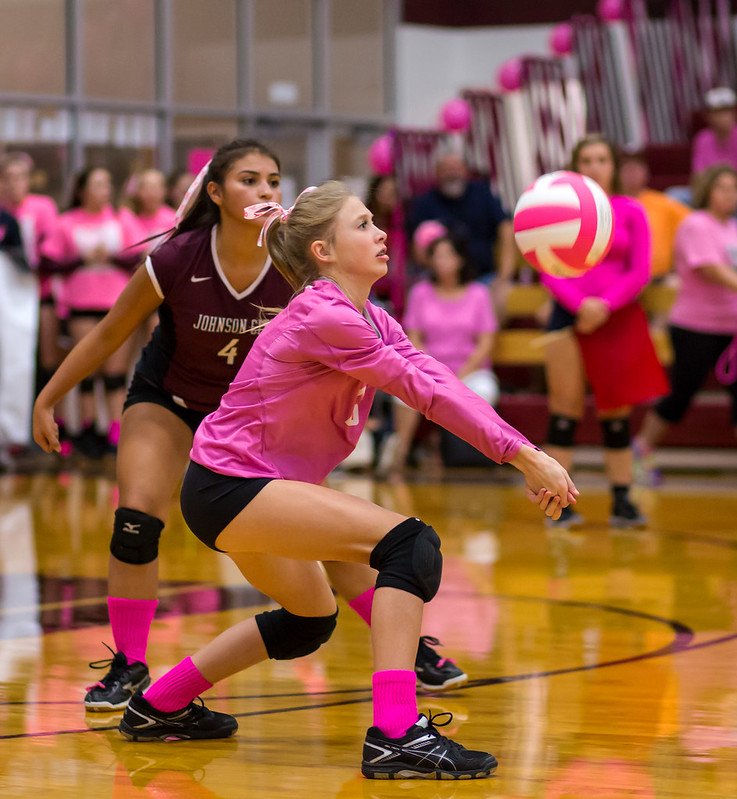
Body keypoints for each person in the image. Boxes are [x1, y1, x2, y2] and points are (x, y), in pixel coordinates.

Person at [108, 180, 576, 778]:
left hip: (237, 488)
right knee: (411, 546)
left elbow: (435, 375)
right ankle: (397, 733)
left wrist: (525, 452)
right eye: (362, 224)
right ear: (323, 252)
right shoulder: (324, 315)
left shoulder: (370, 316)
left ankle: (158, 705)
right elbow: (423, 393)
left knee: (308, 621)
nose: (381, 233)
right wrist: (527, 457)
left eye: (376, 222)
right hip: (234, 485)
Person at [32, 140, 468, 715]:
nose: (264, 192)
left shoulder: (295, 267)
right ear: (215, 193)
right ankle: (129, 667)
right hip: (172, 399)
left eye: (273, 181)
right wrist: (49, 396)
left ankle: (409, 650)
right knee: (135, 519)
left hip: (254, 423)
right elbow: (111, 331)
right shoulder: (177, 258)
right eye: (249, 180)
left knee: (330, 537)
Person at [540, 134, 669, 529]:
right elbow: (546, 264)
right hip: (569, 317)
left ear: (613, 166)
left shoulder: (630, 210)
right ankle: (558, 505)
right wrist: (580, 305)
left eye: (601, 159)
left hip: (617, 319)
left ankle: (622, 502)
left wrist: (605, 305)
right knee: (565, 411)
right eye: (586, 159)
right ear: (576, 167)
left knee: (616, 413)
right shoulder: (559, 212)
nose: (594, 166)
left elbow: (640, 271)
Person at [634, 165, 737, 473]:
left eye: (733, 188)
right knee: (681, 393)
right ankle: (641, 449)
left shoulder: (732, 226)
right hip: (696, 327)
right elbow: (708, 267)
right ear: (707, 190)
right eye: (722, 187)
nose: (729, 194)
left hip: (731, 328)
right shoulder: (696, 224)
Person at [39, 167, 146, 459]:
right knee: (86, 371)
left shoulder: (122, 219)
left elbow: (138, 258)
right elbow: (48, 262)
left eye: (108, 184)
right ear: (82, 190)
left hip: (117, 303)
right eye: (98, 184)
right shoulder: (66, 222)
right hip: (81, 305)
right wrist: (81, 259)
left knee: (114, 374)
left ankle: (114, 433)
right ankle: (87, 429)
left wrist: (109, 256)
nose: (105, 190)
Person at [381, 234, 499, 478]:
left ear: (461, 260)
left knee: (482, 391)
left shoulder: (478, 293)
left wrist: (459, 375)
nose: (442, 261)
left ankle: (462, 459)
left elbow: (486, 342)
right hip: (428, 370)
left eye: (449, 255)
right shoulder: (421, 293)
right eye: (437, 256)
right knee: (404, 394)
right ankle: (398, 455)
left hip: (470, 371)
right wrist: (431, 371)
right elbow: (413, 338)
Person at [406, 151, 516, 314]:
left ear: (465, 170)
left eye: (456, 167)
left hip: (485, 278)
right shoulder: (425, 203)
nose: (451, 172)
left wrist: (504, 276)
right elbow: (417, 248)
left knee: (499, 298)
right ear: (436, 173)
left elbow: (506, 228)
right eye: (445, 168)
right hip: (441, 282)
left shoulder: (483, 193)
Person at [0, 152, 59, 396]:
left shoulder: (42, 207)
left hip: (38, 292)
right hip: (5, 297)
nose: (15, 184)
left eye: (21, 177)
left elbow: (51, 249)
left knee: (44, 358)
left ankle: (43, 416)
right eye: (9, 178)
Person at [619, 149, 691, 280]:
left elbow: (692, 225)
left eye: (636, 168)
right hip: (621, 279)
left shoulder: (663, 203)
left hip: (660, 279)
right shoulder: (610, 203)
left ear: (646, 172)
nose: (631, 174)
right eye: (626, 169)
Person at [0, 206, 35, 468]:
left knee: (11, 367)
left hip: (9, 306)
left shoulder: (7, 221)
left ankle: (8, 438)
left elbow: (23, 265)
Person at [365, 174, 408, 319]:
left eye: (393, 193)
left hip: (396, 289)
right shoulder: (365, 226)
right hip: (370, 287)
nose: (389, 197)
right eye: (385, 192)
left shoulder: (401, 224)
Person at [691, 87, 737, 175]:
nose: (724, 117)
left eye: (727, 111)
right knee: (675, 189)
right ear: (708, 116)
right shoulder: (702, 139)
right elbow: (698, 174)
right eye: (718, 112)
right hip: (711, 187)